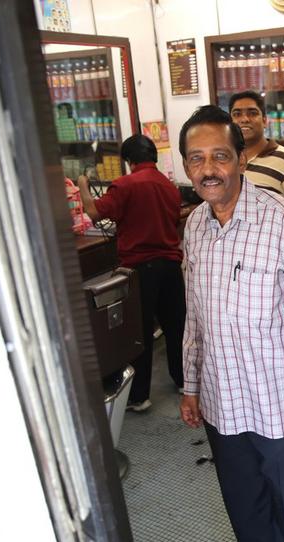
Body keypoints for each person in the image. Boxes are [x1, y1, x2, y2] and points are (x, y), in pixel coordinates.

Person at [177, 105, 284, 542]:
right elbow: (194, 314)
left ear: (241, 160)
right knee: (246, 512)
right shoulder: (194, 226)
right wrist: (191, 385)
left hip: (277, 402)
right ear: (186, 167)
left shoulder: (282, 222)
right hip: (221, 401)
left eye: (220, 156)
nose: (209, 170)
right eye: (197, 159)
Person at [77, 134, 185, 412]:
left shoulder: (124, 185)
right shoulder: (169, 186)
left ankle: (139, 396)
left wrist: (83, 186)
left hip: (141, 269)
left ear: (129, 160)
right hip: (171, 266)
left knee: (140, 332)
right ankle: (184, 380)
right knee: (175, 327)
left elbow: (94, 212)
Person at [229, 90, 284, 246]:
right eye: (237, 114)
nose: (244, 119)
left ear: (265, 120)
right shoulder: (227, 162)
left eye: (252, 113)